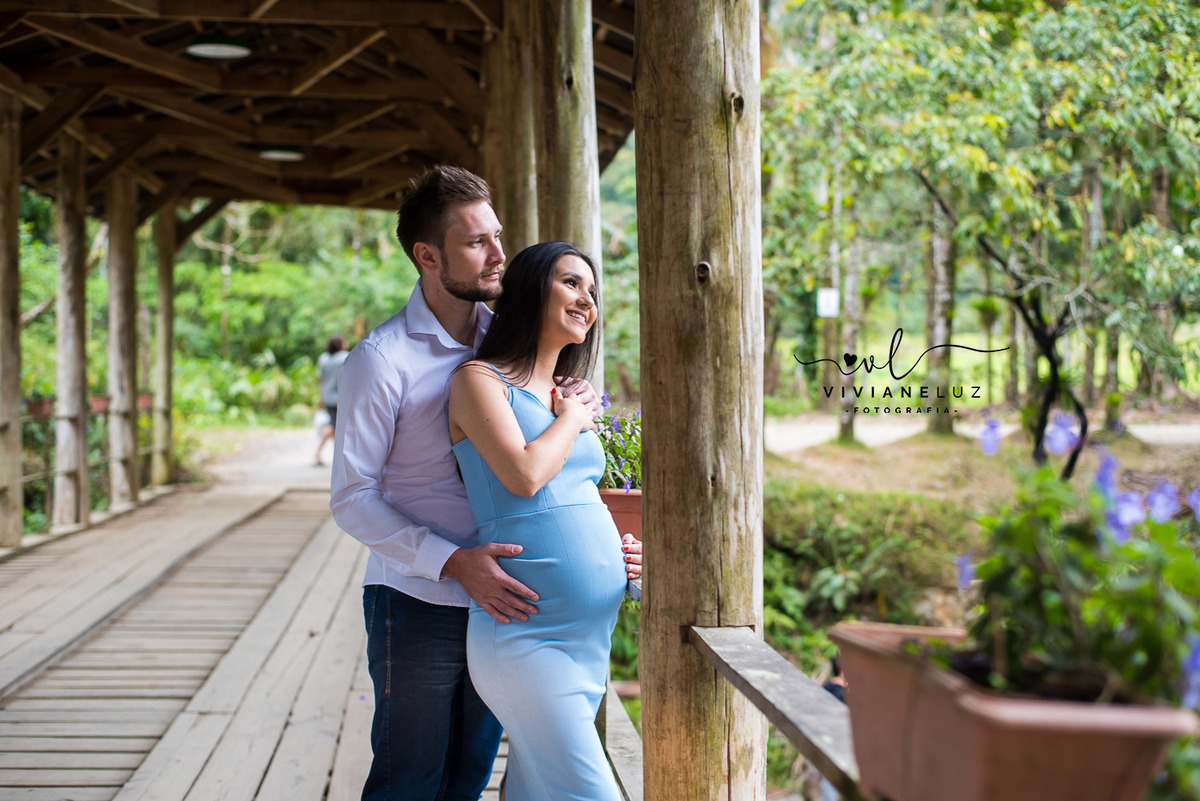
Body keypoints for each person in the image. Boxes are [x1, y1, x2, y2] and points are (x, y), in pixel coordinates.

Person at [329, 166, 641, 801]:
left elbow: (561, 483)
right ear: (428, 255)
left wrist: (613, 545)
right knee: (408, 781)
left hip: (514, 604)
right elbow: (352, 498)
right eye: (477, 242)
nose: (499, 253)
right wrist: (452, 563)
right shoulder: (382, 360)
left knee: (469, 781)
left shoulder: (511, 348)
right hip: (419, 599)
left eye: (498, 236)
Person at [448, 241, 627, 801]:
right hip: (526, 638)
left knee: (533, 792)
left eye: (592, 292)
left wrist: (625, 554)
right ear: (529, 289)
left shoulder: (560, 399)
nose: (586, 300)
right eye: (572, 283)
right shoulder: (480, 381)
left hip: (588, 644)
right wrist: (574, 417)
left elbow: (576, 496)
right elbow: (524, 477)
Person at [313, 334, 348, 466]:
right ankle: (317, 453)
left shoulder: (324, 358)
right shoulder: (345, 357)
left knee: (335, 426)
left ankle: (338, 455)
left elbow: (321, 380)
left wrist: (321, 397)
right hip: (339, 397)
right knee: (332, 425)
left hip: (327, 396)